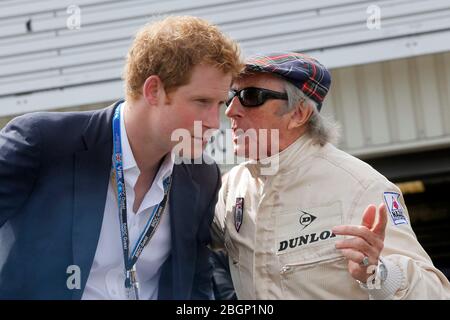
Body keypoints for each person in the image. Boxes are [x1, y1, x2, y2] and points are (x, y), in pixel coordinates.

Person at [0, 16, 243, 300]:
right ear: (153, 90)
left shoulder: (202, 176)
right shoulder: (44, 142)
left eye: (220, 104)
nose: (214, 122)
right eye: (202, 102)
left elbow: (195, 286)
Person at [212, 52, 450, 299]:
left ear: (299, 114)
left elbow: (436, 294)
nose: (231, 110)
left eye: (251, 97)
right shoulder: (231, 187)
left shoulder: (362, 187)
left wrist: (379, 273)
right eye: (230, 96)